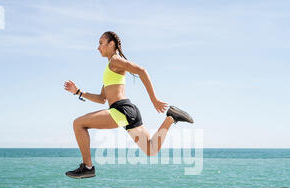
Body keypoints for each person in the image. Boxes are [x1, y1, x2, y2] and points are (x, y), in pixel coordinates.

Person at [64, 31, 193, 179]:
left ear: (111, 44)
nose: (98, 47)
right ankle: (171, 117)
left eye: (100, 43)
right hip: (127, 111)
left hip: (121, 110)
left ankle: (87, 167)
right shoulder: (109, 67)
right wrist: (78, 92)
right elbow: (101, 98)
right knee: (151, 149)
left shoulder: (115, 60)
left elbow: (141, 71)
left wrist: (154, 100)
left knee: (78, 124)